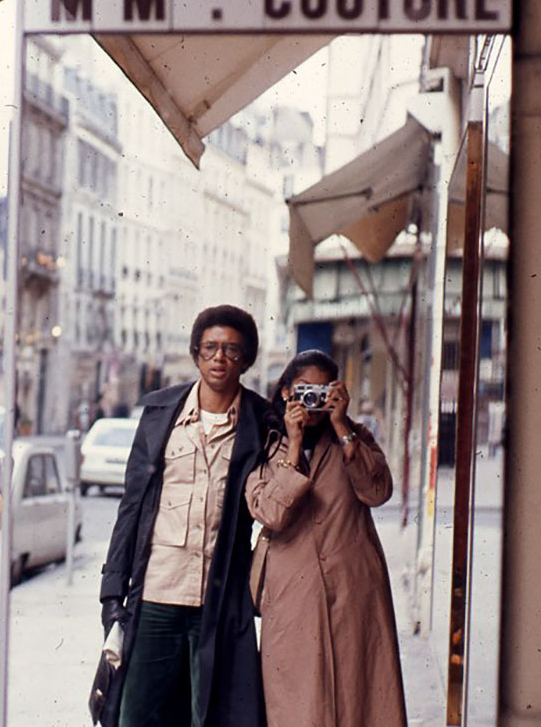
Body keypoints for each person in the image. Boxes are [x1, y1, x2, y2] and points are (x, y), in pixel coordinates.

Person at [96, 305, 275, 727]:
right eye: (211, 347)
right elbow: (131, 507)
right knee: (133, 717)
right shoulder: (161, 416)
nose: (219, 358)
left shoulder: (261, 421)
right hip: (158, 593)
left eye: (231, 350)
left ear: (246, 359)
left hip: (220, 602)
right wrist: (112, 592)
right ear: (196, 353)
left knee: (214, 717)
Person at [245, 349, 406, 727]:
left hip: (355, 593)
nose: (312, 400)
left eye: (322, 390)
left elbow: (378, 492)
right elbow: (271, 514)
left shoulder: (354, 436)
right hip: (292, 597)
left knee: (360, 697)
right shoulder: (267, 447)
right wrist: (295, 446)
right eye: (304, 390)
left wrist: (342, 427)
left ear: (338, 392)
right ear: (286, 393)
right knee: (297, 703)